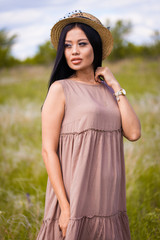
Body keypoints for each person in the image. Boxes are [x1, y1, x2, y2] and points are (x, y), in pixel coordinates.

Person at [36, 10, 141, 240]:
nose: (74, 51)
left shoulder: (108, 90)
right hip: (75, 197)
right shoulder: (60, 89)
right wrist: (65, 207)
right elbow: (48, 151)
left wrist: (115, 85)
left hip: (109, 199)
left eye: (81, 44)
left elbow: (133, 133)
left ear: (95, 47)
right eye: (67, 45)